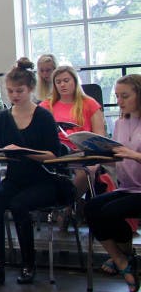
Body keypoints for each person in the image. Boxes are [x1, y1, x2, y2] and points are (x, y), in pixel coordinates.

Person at [0, 58, 75, 286]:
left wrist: (25, 152)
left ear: (30, 89)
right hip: (16, 178)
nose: (14, 96)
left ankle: (28, 264)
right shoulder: (3, 118)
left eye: (19, 91)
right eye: (11, 91)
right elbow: (4, 152)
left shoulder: (43, 116)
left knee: (19, 204)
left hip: (44, 179)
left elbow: (53, 155)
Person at [84, 74, 141, 292]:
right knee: (91, 207)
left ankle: (125, 255)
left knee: (110, 212)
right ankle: (121, 259)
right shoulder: (120, 122)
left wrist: (133, 155)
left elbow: (129, 154)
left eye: (125, 96)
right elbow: (118, 156)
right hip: (127, 186)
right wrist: (97, 158)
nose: (120, 101)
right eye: (117, 96)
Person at [40, 64, 106, 196]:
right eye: (58, 82)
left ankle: (70, 205)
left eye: (66, 80)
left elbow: (100, 135)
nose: (62, 85)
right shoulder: (47, 105)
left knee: (87, 171)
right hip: (57, 151)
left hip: (84, 151)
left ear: (75, 82)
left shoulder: (89, 103)